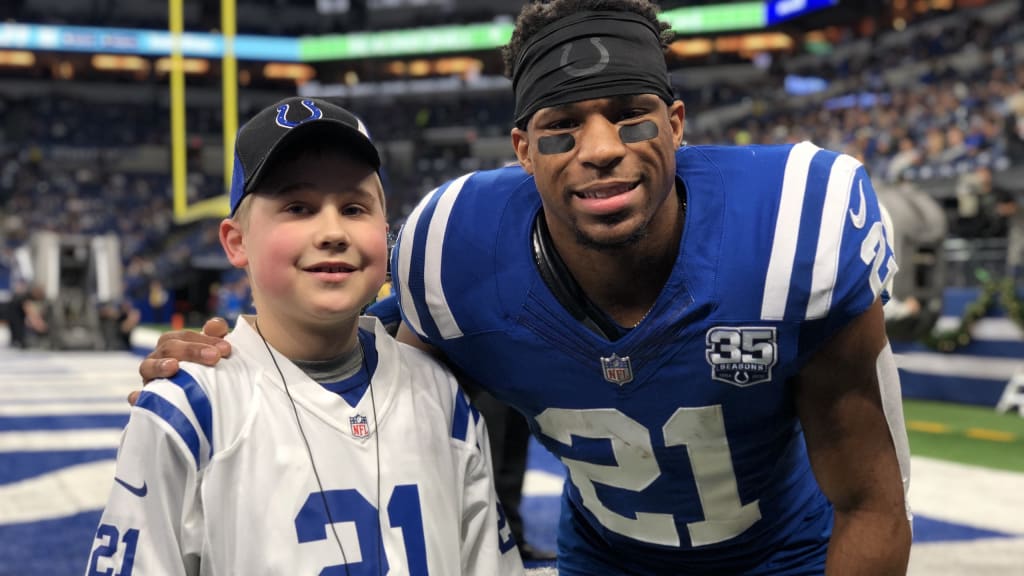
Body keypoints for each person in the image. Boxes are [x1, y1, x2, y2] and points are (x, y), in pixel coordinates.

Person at [139, 1, 913, 573]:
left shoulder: (787, 231)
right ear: (523, 150)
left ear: (677, 123)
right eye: (562, 129)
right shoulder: (456, 249)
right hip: (605, 558)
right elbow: (355, 367)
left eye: (632, 117)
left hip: (784, 558)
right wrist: (238, 356)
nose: (603, 149)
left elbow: (872, 506)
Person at [92, 96, 523, 575]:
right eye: (298, 207)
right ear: (237, 242)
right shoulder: (189, 411)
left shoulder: (441, 395)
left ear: (387, 231)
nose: (333, 231)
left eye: (355, 207)